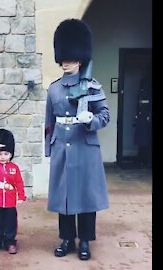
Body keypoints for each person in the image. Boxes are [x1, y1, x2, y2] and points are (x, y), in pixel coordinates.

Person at [44, 18, 110, 261]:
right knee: (64, 197)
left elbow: (105, 116)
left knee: (85, 197)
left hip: (85, 147)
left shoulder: (92, 87)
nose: (65, 63)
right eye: (63, 58)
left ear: (80, 58)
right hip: (62, 146)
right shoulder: (54, 89)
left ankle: (85, 241)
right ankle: (67, 238)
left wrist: (90, 119)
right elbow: (49, 123)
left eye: (70, 58)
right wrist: (49, 150)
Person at [0, 129, 27, 254]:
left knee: (10, 222)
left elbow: (19, 182)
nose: (2, 157)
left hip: (10, 200)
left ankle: (10, 242)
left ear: (11, 154)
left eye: (6, 154)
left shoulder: (14, 168)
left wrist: (21, 195)